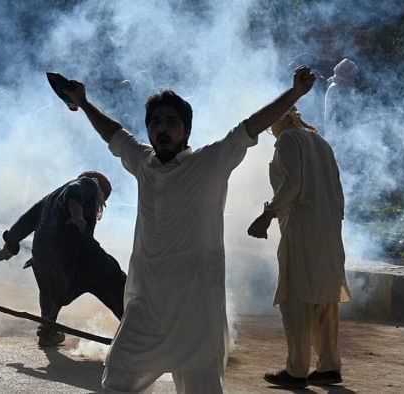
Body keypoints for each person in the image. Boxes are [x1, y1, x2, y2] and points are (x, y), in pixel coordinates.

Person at [59, 66, 316, 393]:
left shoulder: (209, 162)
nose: (161, 129)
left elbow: (249, 127)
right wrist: (83, 102)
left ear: (186, 131)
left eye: (170, 122)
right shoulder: (143, 162)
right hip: (146, 307)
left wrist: (294, 94)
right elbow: (114, 133)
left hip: (196, 310)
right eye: (154, 123)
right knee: (117, 381)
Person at [247, 107, 350, 388]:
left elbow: (293, 182)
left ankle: (296, 370)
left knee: (295, 298)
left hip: (303, 228)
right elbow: (339, 192)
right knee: (325, 299)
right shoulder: (321, 142)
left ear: (281, 120)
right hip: (329, 230)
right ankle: (329, 367)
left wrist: (267, 215)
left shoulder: (289, 140)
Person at [0, 171, 126, 347]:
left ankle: (47, 331)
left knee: (51, 294)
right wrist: (78, 215)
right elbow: (74, 190)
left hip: (44, 258)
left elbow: (25, 221)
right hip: (78, 254)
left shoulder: (49, 199)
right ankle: (136, 331)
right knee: (117, 282)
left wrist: (9, 246)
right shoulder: (89, 184)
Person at [323, 58, 359, 137]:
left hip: (344, 132)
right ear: (345, 74)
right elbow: (334, 116)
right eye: (352, 77)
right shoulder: (335, 89)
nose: (353, 80)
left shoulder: (342, 88)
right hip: (336, 134)